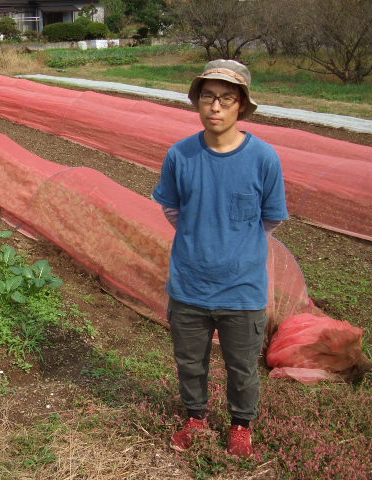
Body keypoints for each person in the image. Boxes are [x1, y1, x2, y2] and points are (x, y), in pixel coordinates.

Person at [151, 59, 288, 458]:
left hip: (242, 288)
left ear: (241, 107)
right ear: (197, 102)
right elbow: (172, 208)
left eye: (226, 99)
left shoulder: (264, 158)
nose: (215, 107)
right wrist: (201, 238)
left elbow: (271, 217)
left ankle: (240, 425)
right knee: (190, 362)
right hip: (189, 284)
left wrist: (235, 247)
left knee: (242, 366)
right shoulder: (180, 155)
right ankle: (195, 417)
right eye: (208, 97)